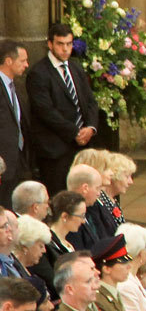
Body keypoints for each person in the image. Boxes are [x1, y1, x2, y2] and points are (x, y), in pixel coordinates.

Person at [26, 23, 100, 193]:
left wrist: (90, 128)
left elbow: (90, 101)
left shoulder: (76, 67)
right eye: (60, 44)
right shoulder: (39, 73)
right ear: (50, 44)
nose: (65, 49)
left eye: (69, 44)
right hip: (56, 148)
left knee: (84, 194)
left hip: (83, 146)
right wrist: (75, 132)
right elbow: (46, 111)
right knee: (60, 197)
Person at [0, 40, 30, 207]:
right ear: (9, 61)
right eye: (22, 60)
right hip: (3, 162)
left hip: (18, 159)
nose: (26, 65)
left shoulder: (14, 86)